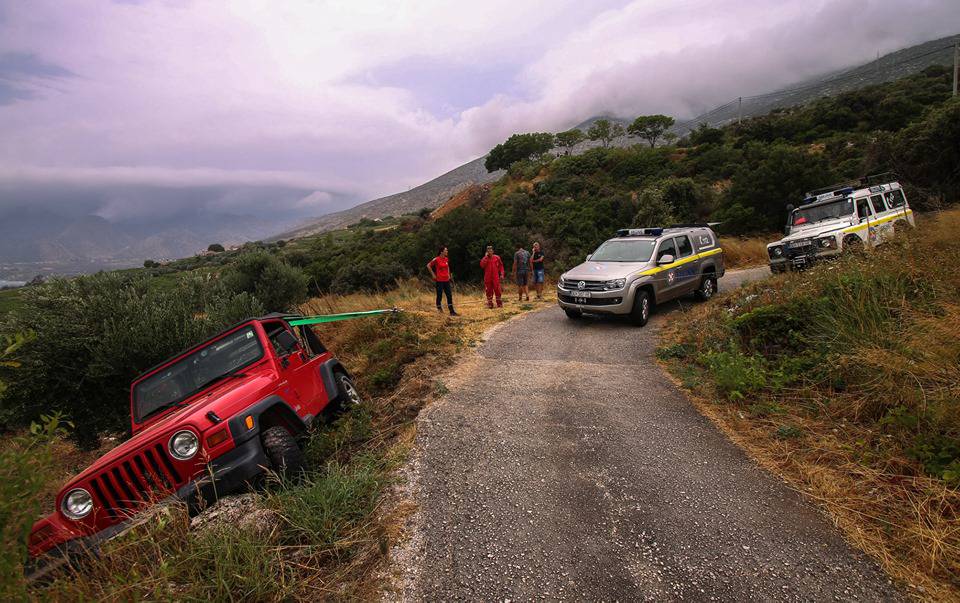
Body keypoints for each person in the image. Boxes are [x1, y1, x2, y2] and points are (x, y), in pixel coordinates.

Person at [427, 246, 458, 315]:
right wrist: (433, 275)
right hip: (439, 280)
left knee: (449, 295)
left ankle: (452, 311)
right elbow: (428, 265)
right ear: (441, 252)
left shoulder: (446, 259)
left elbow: (448, 267)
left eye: (447, 250)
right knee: (439, 295)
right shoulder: (436, 259)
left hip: (446, 280)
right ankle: (440, 310)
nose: (447, 251)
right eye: (446, 250)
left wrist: (448, 274)